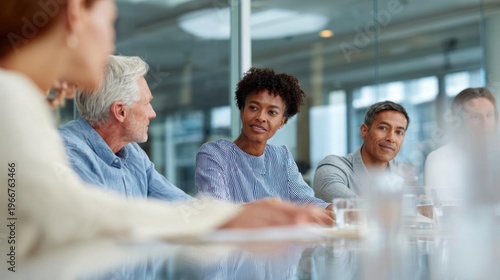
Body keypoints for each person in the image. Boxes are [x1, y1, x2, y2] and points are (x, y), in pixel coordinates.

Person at [0, 0, 329, 261]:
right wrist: (225, 219)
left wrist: (234, 216)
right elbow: (72, 217)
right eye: (110, 21)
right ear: (75, 14)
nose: (111, 41)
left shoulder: (22, 100)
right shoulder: (11, 101)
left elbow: (180, 205)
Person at [195, 67, 333, 224]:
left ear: (282, 122)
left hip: (281, 244)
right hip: (236, 244)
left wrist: (332, 210)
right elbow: (215, 209)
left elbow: (305, 200)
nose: (260, 117)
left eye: (272, 112)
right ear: (242, 110)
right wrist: (274, 210)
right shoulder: (214, 154)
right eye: (253, 108)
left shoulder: (281, 156)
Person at [59, 55, 191, 201]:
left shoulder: (131, 151)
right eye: (146, 103)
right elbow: (104, 219)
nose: (152, 114)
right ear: (120, 111)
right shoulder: (67, 152)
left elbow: (179, 203)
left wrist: (215, 215)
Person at [313, 101, 415, 201]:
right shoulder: (333, 168)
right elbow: (352, 207)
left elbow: (421, 208)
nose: (391, 138)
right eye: (383, 128)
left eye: (399, 132)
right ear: (364, 131)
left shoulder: (404, 173)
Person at [424, 87, 498, 193]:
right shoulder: (439, 159)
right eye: (475, 116)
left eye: (489, 115)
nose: (484, 122)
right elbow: (437, 207)